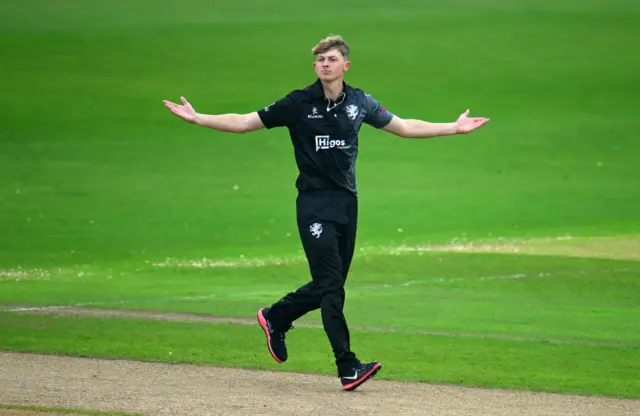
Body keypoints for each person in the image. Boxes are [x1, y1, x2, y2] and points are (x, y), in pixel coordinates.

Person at [163, 34, 489, 391]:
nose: (324, 65)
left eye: (331, 59)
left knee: (327, 285)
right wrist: (199, 119)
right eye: (319, 61)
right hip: (314, 204)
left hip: (347, 202)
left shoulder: (360, 102)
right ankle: (347, 366)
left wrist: (454, 128)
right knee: (332, 288)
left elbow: (405, 127)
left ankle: (276, 316)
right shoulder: (298, 102)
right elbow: (245, 121)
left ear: (345, 65)